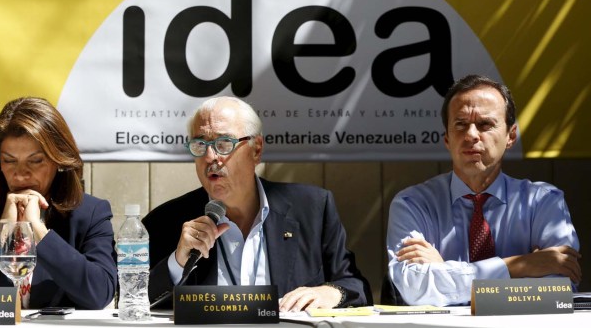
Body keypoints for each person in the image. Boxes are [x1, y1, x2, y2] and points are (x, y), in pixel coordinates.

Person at [143, 96, 371, 311]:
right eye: (200, 145)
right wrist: (177, 262)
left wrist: (331, 293)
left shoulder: (312, 208)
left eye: (224, 144)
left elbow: (355, 286)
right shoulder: (166, 221)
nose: (210, 157)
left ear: (256, 149)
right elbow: (133, 301)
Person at [386, 74, 581, 306]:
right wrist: (520, 265)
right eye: (460, 124)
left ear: (511, 136)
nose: (471, 135)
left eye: (485, 124)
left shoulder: (544, 202)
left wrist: (443, 272)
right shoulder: (412, 203)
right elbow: (414, 289)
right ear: (447, 139)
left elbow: (558, 290)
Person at [0, 97, 117, 309]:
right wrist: (0, 232)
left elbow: (100, 293)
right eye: (9, 161)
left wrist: (39, 231)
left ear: (59, 160)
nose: (21, 174)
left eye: (36, 161)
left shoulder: (90, 213)